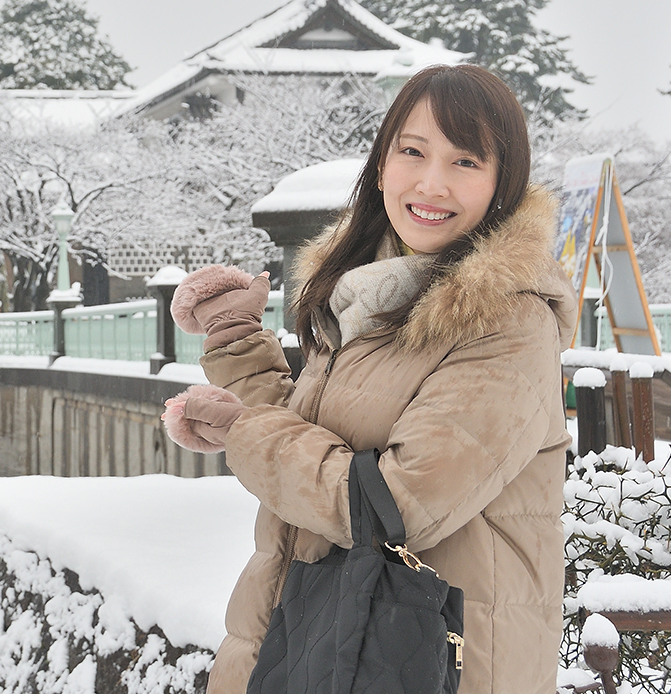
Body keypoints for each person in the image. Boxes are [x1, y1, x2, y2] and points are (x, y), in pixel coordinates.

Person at [163, 64, 576, 694]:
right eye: (412, 151)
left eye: (466, 161)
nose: (431, 183)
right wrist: (238, 344)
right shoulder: (370, 297)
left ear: (502, 185)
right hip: (310, 640)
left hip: (434, 665)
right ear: (381, 164)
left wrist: (244, 431)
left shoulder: (507, 320)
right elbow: (310, 445)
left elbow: (391, 505)